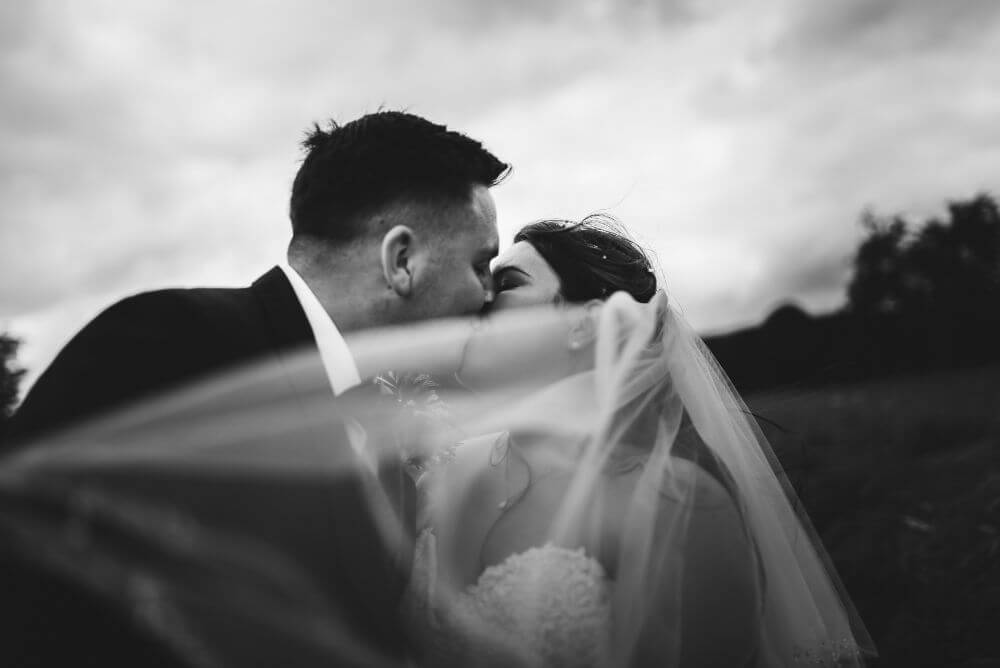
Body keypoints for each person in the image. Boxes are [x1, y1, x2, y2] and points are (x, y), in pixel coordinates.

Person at [0, 111, 508, 667]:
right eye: (480, 265)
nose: (488, 295)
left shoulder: (386, 438)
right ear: (402, 260)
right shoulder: (167, 343)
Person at [395, 216, 876, 666]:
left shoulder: (676, 502)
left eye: (508, 283)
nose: (479, 297)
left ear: (585, 325)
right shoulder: (439, 471)